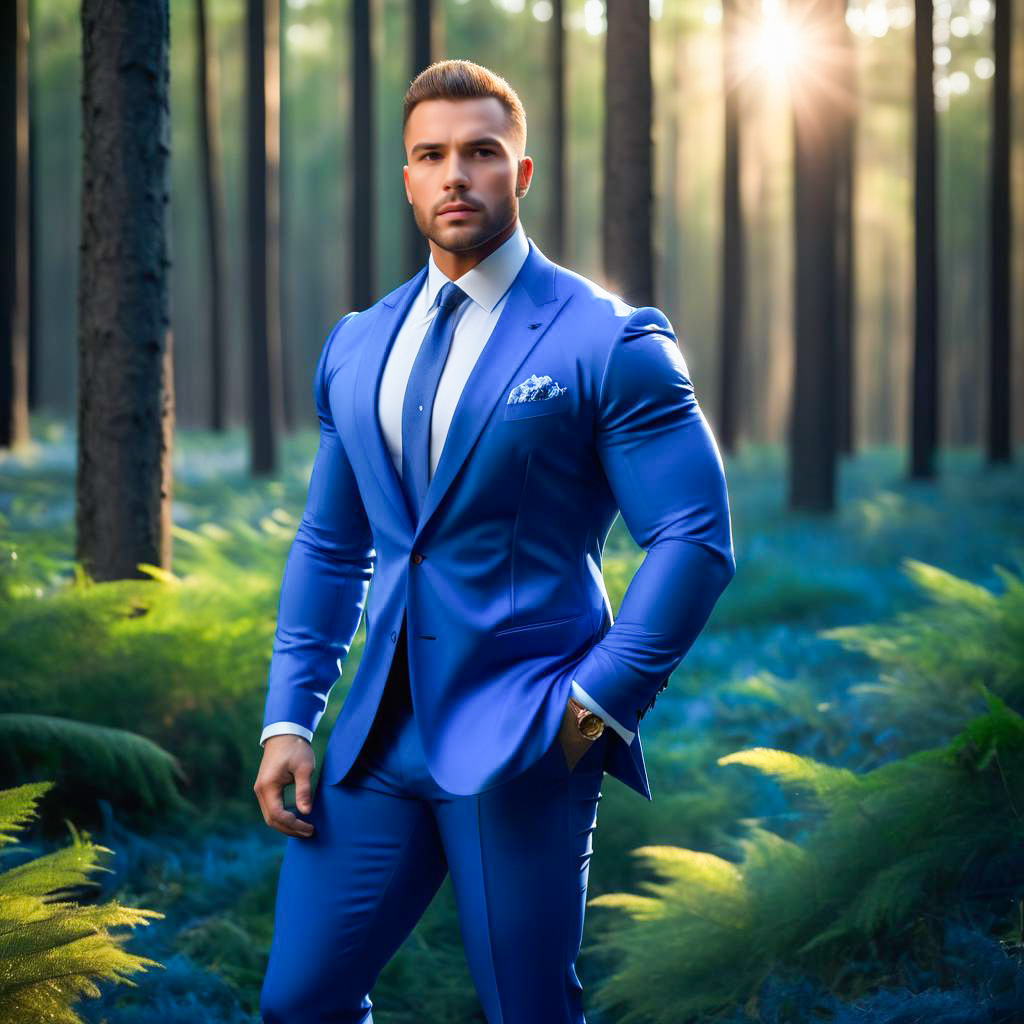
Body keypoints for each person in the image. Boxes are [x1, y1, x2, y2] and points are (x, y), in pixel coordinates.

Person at [254, 58, 735, 1024]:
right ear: (406, 178)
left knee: (529, 1012)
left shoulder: (607, 339)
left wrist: (595, 709)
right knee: (298, 1003)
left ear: (520, 175)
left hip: (526, 737)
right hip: (374, 745)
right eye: (430, 155)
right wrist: (288, 718)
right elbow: (329, 545)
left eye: (480, 153)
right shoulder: (356, 343)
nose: (454, 175)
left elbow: (695, 536)